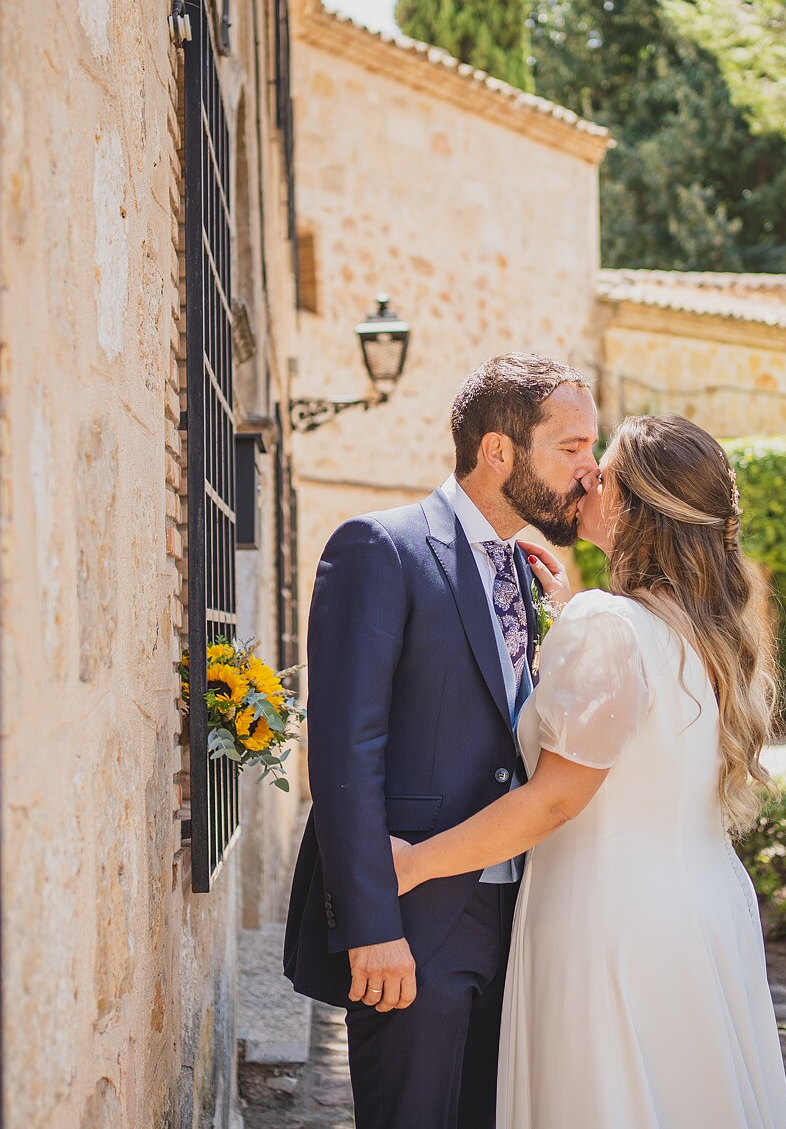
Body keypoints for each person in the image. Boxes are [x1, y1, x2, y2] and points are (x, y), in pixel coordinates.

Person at [391, 414, 786, 1128]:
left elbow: (555, 801)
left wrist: (415, 864)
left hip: (610, 921)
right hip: (701, 912)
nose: (585, 478)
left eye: (602, 472)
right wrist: (569, 616)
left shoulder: (610, 626)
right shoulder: (708, 629)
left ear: (636, 507)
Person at [282, 353, 600, 1129]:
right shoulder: (379, 548)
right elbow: (345, 754)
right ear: (498, 451)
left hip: (522, 918)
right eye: (571, 448)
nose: (589, 471)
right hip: (415, 922)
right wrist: (372, 925)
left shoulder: (528, 574)